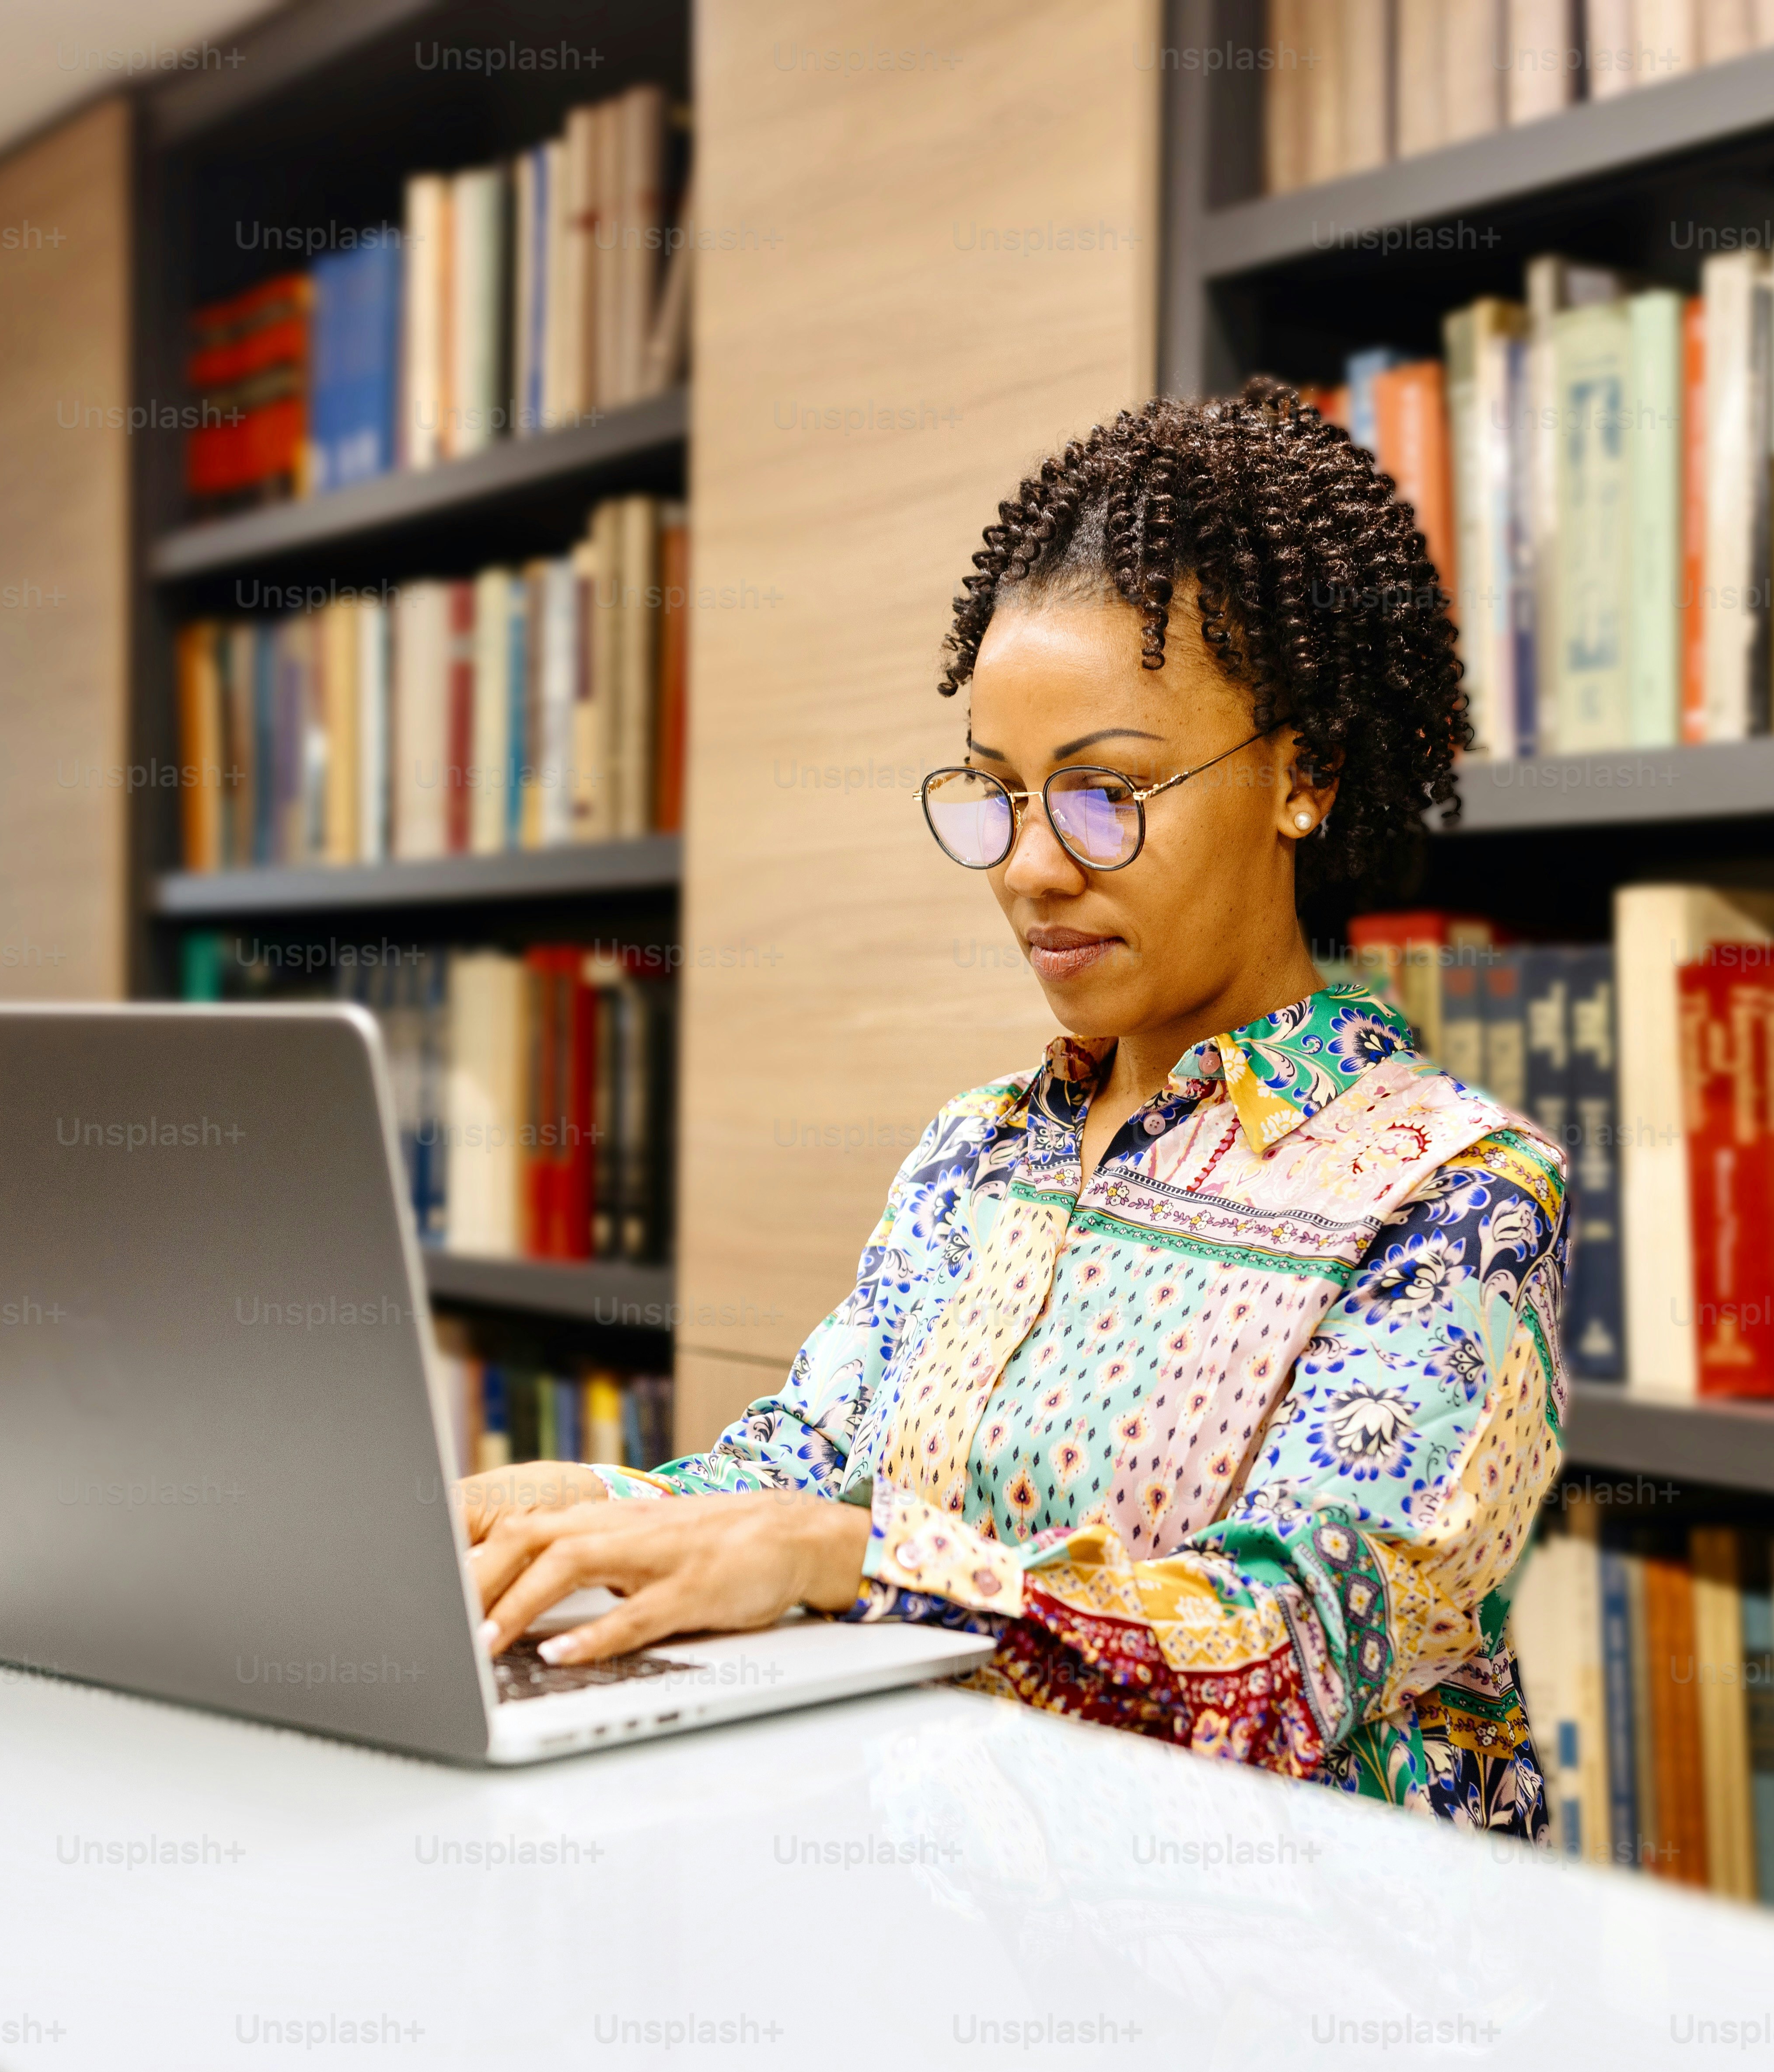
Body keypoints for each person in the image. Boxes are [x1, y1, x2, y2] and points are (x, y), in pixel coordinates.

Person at [458, 380, 1568, 1833]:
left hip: (1308, 2001)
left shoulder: (1459, 1194)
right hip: (974, 1928)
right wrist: (584, 1511)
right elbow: (801, 1468)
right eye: (995, 795)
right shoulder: (980, 1151)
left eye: (1107, 795)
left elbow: (1290, 1654)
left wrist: (857, 1563)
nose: (1031, 867)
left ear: (1306, 777)